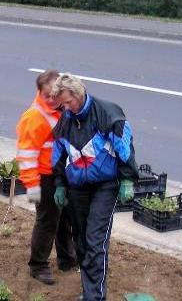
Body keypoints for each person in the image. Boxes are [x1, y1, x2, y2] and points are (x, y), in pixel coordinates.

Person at [50, 74, 138, 301]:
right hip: (78, 186)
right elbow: (58, 157)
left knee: (95, 240)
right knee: (81, 240)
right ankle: (89, 289)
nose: (66, 108)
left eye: (68, 102)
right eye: (62, 104)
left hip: (105, 185)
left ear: (78, 94)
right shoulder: (66, 122)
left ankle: (94, 297)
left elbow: (124, 147)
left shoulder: (107, 114)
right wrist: (59, 185)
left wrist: (127, 178)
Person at [16, 69, 78, 285]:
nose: (51, 100)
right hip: (45, 178)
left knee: (65, 219)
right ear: (38, 92)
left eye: (55, 95)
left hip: (60, 175)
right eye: (46, 96)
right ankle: (38, 265)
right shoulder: (35, 117)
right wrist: (32, 186)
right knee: (48, 222)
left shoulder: (61, 109)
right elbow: (27, 155)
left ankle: (67, 259)